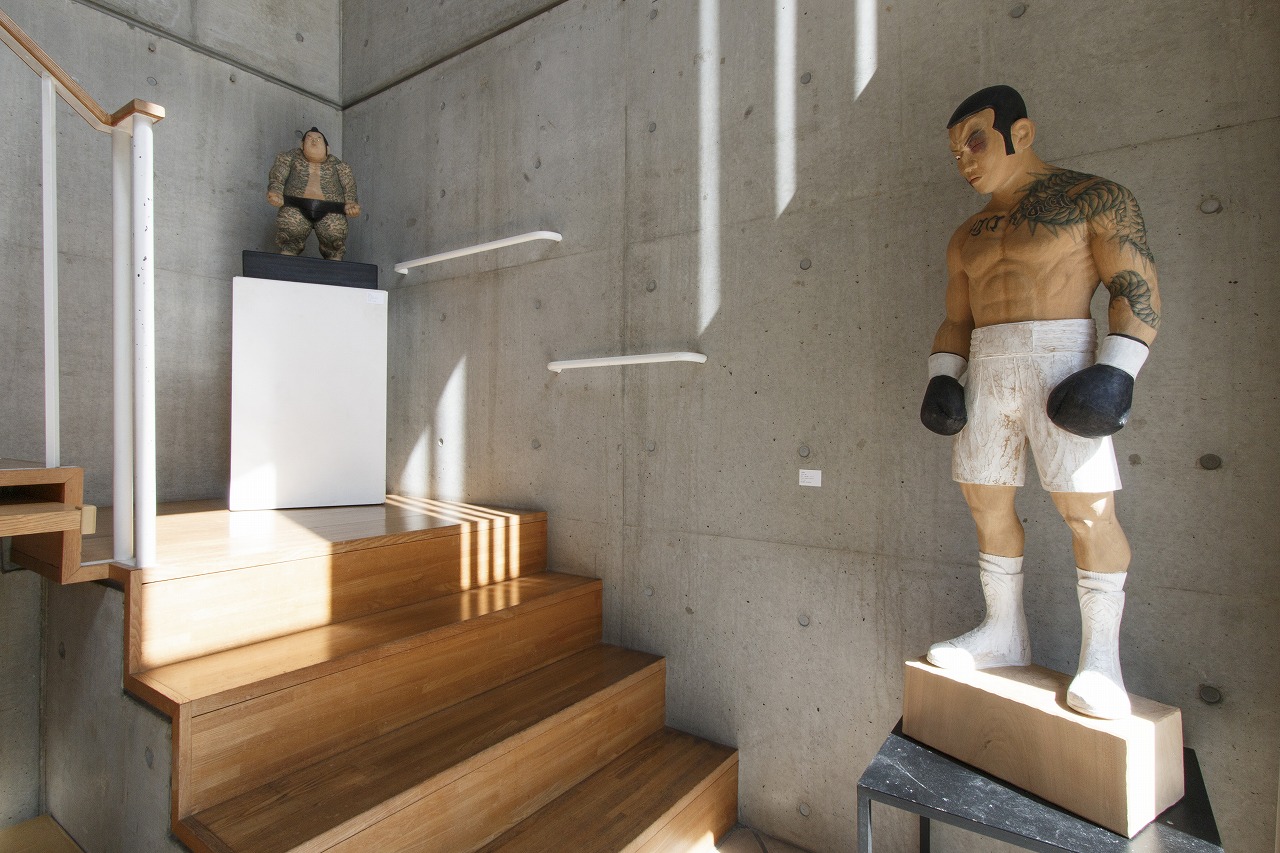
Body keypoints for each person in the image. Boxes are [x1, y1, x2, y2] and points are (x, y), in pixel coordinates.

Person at [920, 85, 1161, 719]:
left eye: (975, 140)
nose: (965, 159)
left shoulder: (1093, 199)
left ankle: (1101, 659)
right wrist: (944, 376)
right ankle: (1003, 632)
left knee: (1089, 509)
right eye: (955, 151)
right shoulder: (967, 234)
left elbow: (1133, 287)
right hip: (987, 367)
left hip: (1063, 360)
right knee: (985, 501)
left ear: (1019, 134)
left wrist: (1118, 371)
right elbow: (956, 319)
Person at [266, 127, 361, 260]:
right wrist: (276, 191)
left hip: (332, 209)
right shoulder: (290, 157)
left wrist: (351, 203)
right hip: (295, 206)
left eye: (318, 139)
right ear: (302, 145)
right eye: (309, 138)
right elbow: (278, 176)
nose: (314, 141)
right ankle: (286, 261)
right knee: (291, 234)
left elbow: (349, 186)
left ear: (327, 148)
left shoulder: (339, 166)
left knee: (334, 238)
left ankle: (334, 265)